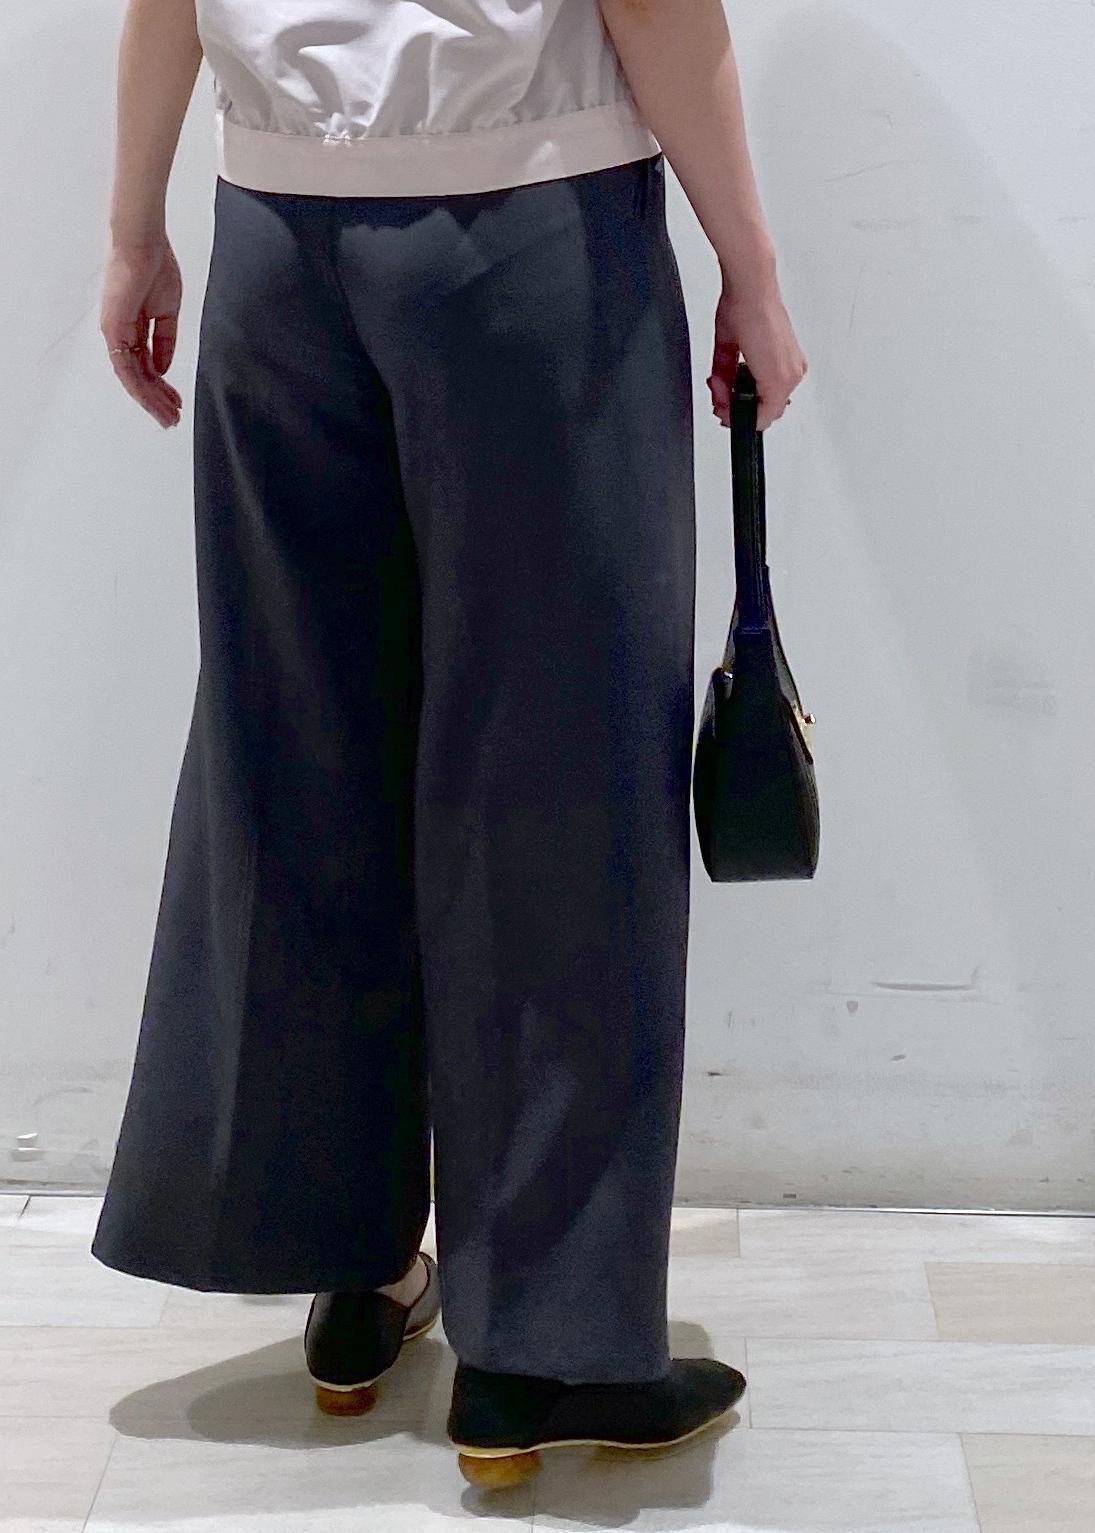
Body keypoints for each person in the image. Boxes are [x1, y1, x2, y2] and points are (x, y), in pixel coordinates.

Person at [93, 0, 807, 1491]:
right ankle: (542, 1348)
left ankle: (354, 1272)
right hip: (527, 230)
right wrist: (750, 260)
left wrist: (133, 224)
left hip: (276, 241)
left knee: (304, 753)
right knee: (558, 781)